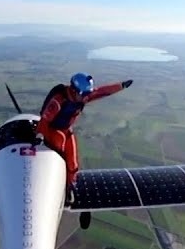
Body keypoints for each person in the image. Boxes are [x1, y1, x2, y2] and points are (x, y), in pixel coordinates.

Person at [37, 72, 133, 203]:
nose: (86, 98)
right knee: (60, 153)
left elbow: (102, 91)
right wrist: (40, 136)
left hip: (66, 130)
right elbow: (45, 120)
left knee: (73, 163)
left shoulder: (81, 96)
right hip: (53, 131)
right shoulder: (59, 101)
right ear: (74, 90)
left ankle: (70, 186)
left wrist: (121, 86)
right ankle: (54, 186)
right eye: (84, 95)